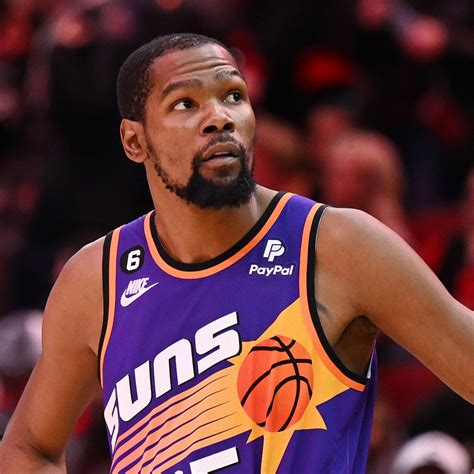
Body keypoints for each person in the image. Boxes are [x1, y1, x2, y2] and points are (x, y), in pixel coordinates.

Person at [0, 33, 472, 474]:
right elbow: (28, 447)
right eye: (185, 103)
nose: (220, 117)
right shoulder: (94, 280)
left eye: (233, 96)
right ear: (134, 140)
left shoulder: (336, 245)